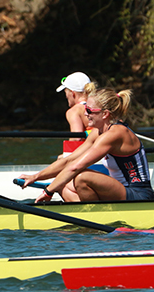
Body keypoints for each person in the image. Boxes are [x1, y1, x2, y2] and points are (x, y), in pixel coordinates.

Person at [19, 85, 154, 203]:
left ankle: (95, 216)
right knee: (62, 183)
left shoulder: (116, 133)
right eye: (85, 108)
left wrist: (48, 191)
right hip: (120, 190)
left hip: (138, 194)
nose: (85, 113)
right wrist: (35, 177)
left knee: (81, 177)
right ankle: (86, 214)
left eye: (89, 110)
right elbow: (69, 160)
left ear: (105, 114)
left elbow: (76, 167)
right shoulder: (98, 132)